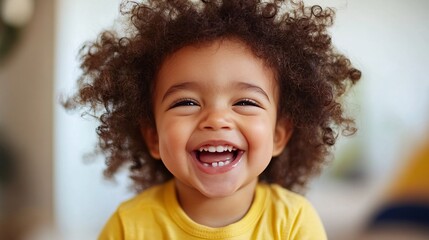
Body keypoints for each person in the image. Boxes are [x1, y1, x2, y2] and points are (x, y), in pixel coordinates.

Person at [64, 0, 361, 239]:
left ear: (278, 135)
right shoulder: (129, 226)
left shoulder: (293, 222)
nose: (216, 119)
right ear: (153, 137)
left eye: (245, 102)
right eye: (186, 102)